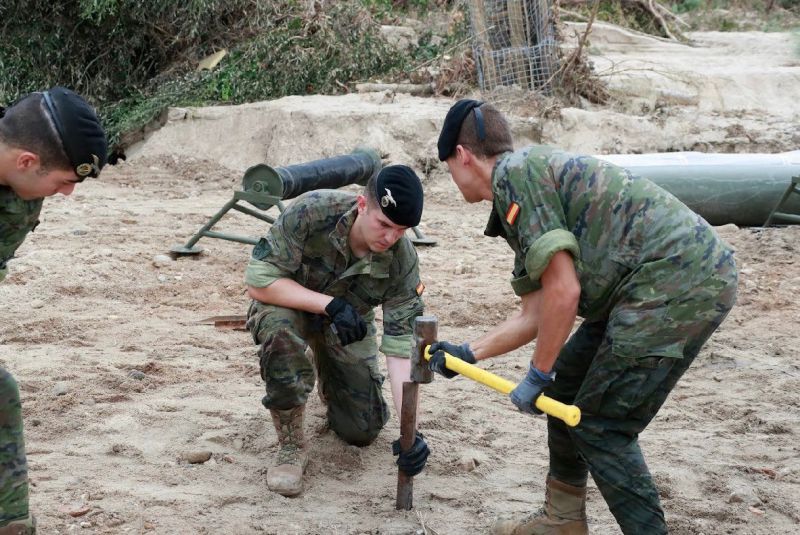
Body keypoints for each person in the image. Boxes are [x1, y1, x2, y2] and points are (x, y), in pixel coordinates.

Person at [430, 99, 738, 535]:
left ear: (461, 155)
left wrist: (537, 373)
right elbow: (536, 312)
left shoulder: (517, 177)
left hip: (676, 281)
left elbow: (565, 292)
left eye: (448, 167)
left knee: (601, 424)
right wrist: (467, 353)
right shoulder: (525, 177)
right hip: (651, 282)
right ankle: (562, 518)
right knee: (568, 387)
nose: (452, 178)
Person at [245, 164, 430, 497]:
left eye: (401, 230)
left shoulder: (402, 261)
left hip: (348, 328)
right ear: (362, 205)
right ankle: (290, 445)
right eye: (384, 224)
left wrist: (410, 432)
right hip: (288, 306)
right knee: (280, 334)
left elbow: (402, 350)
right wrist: (329, 305)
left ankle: (330, 377)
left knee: (362, 431)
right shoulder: (313, 211)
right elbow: (259, 281)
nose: (390, 238)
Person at [0, 87, 107, 535]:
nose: (66, 194)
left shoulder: (22, 195)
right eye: (64, 181)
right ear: (26, 161)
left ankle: (12, 521)